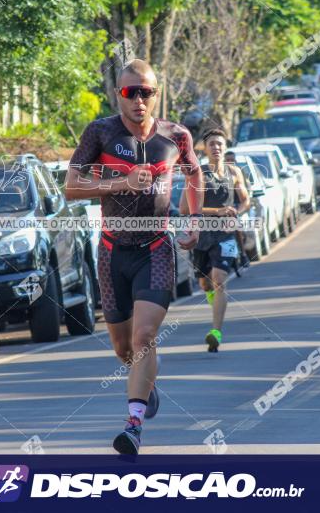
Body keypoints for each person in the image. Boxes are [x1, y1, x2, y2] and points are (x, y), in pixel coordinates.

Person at [65, 59, 203, 455]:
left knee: (145, 337)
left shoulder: (176, 136)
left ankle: (133, 425)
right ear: (119, 95)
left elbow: (194, 176)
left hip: (156, 249)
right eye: (131, 92)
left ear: (156, 94)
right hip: (111, 252)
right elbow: (71, 187)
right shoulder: (101, 132)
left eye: (147, 92)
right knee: (124, 349)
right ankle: (146, 383)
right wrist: (121, 182)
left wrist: (193, 220)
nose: (139, 100)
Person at [180, 129, 250, 351]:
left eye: (220, 144)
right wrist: (216, 212)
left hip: (226, 235)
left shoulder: (234, 172)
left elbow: (246, 200)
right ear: (205, 148)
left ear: (225, 147)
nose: (216, 148)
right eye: (212, 144)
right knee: (205, 282)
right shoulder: (196, 173)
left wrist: (237, 211)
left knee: (220, 279)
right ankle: (214, 302)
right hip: (202, 236)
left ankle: (216, 332)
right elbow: (184, 208)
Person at [223, 151, 251, 273]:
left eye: (232, 160)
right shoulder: (218, 173)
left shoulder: (239, 172)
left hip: (237, 205)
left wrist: (240, 208)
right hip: (224, 206)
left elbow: (246, 191)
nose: (230, 162)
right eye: (227, 160)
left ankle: (243, 253)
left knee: (237, 225)